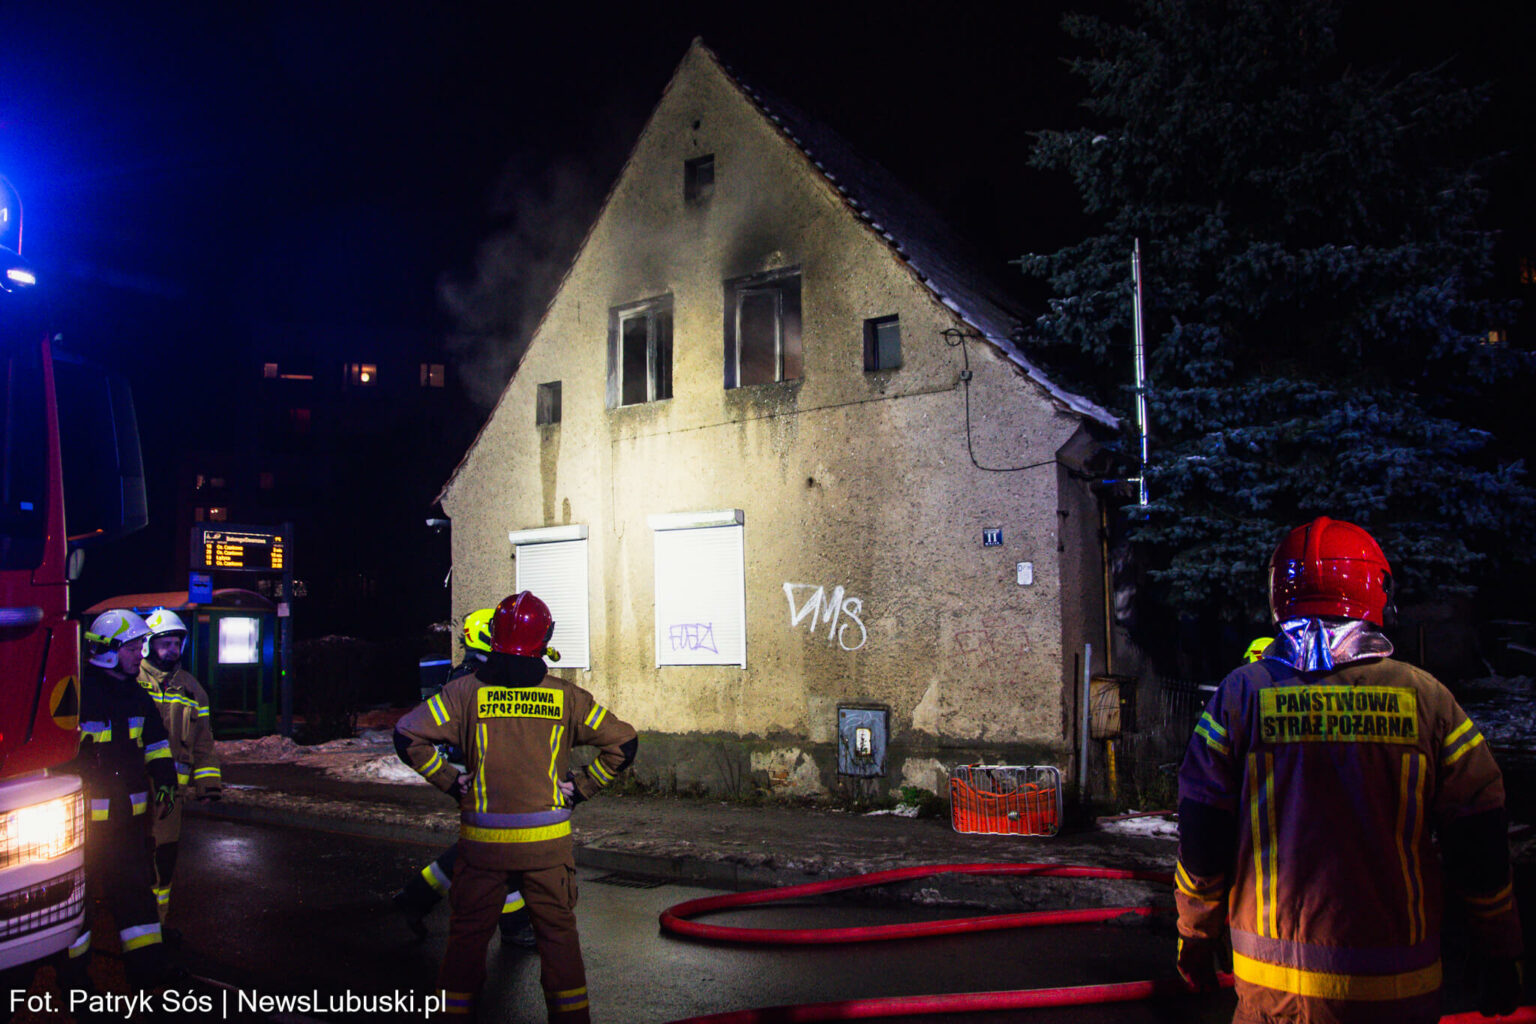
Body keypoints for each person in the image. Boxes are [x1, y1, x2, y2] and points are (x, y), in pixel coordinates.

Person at [1176, 517, 1525, 1022]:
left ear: (1279, 595)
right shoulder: (1427, 698)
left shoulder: (1240, 696)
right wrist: (1500, 948)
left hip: (1274, 996)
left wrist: (1195, 935)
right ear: (1376, 590)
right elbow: (1480, 840)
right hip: (1400, 991)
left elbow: (1202, 833)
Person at [395, 592, 637, 1023]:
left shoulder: (463, 694)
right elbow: (624, 743)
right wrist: (581, 788)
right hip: (547, 849)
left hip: (482, 848)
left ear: (495, 637)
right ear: (544, 639)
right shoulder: (567, 697)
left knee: (466, 942)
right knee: (559, 941)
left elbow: (406, 735)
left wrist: (450, 782)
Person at [393, 608, 536, 946]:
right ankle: (513, 925)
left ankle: (416, 897)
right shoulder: (470, 679)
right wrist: (447, 779)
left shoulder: (489, 673)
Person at [65, 609, 177, 993]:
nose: (139, 656)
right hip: (84, 830)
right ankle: (74, 982)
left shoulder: (139, 697)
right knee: (77, 906)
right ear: (108, 652)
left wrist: (166, 781)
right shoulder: (79, 698)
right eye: (132, 648)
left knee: (137, 898)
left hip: (129, 823)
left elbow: (157, 745)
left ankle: (149, 972)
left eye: (140, 647)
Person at [139, 608, 222, 930]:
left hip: (170, 793)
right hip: (132, 785)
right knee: (132, 854)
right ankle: (132, 922)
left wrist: (208, 784)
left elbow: (203, 742)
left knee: (165, 856)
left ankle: (157, 924)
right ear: (148, 645)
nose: (172, 650)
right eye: (165, 644)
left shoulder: (192, 689)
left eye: (176, 644)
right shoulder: (132, 680)